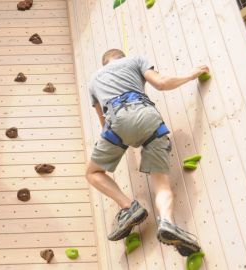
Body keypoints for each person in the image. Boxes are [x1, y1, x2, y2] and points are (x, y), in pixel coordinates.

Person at [86, 49, 208, 256]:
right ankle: (167, 222)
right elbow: (161, 83)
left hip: (117, 123)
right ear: (121, 56)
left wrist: (119, 139)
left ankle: (129, 206)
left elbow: (102, 121)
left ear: (104, 63)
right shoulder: (135, 60)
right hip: (148, 118)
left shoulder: (93, 80)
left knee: (92, 173)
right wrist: (192, 73)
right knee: (161, 184)